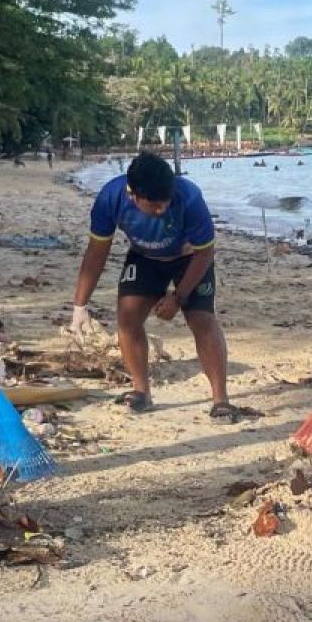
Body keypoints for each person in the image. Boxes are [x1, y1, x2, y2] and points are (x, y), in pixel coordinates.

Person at [70, 151, 242, 422]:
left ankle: (221, 399)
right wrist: (80, 305)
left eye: (166, 203)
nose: (161, 210)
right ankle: (141, 391)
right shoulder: (110, 198)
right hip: (145, 257)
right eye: (153, 205)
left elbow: (205, 254)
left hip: (190, 258)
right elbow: (96, 253)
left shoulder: (190, 197)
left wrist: (179, 296)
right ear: (133, 195)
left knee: (202, 319)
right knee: (127, 318)